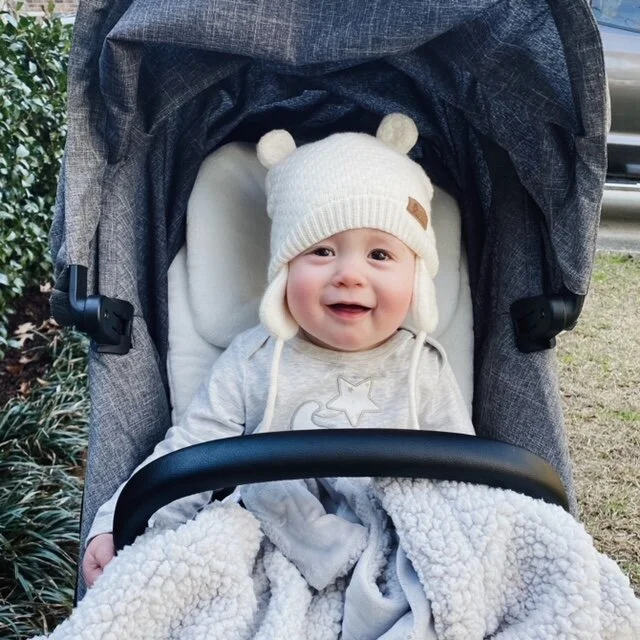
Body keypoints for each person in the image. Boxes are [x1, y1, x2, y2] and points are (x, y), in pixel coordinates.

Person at [82, 113, 475, 588]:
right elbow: (189, 452)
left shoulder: (424, 369)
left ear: (416, 279)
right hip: (274, 563)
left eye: (379, 255)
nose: (350, 275)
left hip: (402, 557)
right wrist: (120, 521)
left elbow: (468, 483)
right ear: (285, 271)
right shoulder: (253, 362)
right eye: (322, 251)